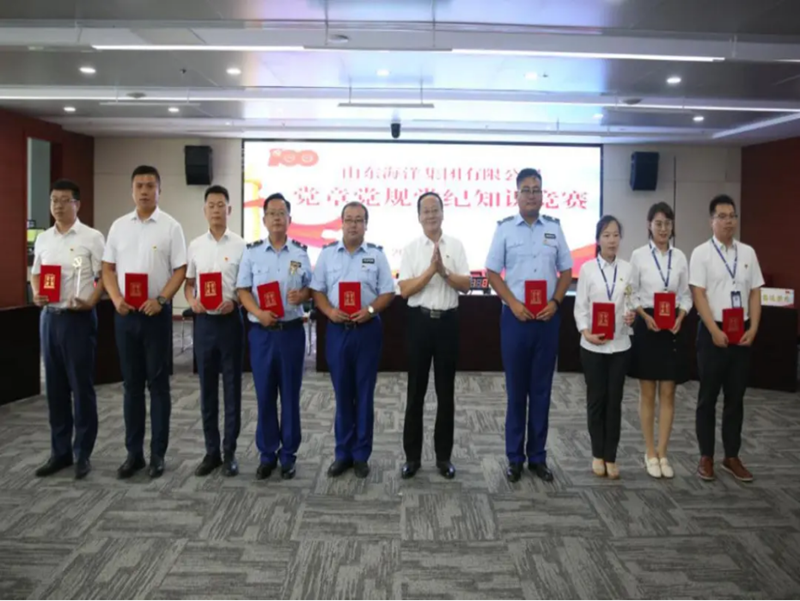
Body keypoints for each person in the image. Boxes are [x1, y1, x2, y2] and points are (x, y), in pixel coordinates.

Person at [485, 168, 573, 483]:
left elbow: (566, 271)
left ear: (542, 194)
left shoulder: (554, 228)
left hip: (547, 320)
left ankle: (537, 457)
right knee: (516, 391)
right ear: (517, 195)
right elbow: (492, 272)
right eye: (526, 190)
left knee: (541, 391)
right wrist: (512, 303)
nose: (532, 195)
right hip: (516, 320)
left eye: (536, 189)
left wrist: (556, 302)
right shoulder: (505, 229)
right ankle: (514, 458)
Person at [102, 165, 187, 479]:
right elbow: (107, 268)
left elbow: (180, 269)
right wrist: (115, 298)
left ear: (159, 190)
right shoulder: (118, 227)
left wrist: (162, 299)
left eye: (150, 185)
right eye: (139, 185)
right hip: (126, 315)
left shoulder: (171, 227)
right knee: (131, 386)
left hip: (156, 315)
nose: (144, 191)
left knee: (158, 385)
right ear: (132, 190)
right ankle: (133, 454)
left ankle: (157, 454)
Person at [310, 201, 395, 479]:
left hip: (367, 331)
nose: (353, 225)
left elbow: (387, 292)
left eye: (359, 220)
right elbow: (317, 291)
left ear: (366, 225)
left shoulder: (377, 255)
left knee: (364, 393)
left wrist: (370, 310)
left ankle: (361, 455)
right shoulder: (327, 255)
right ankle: (342, 453)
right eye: (349, 219)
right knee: (342, 393)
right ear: (341, 223)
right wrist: (328, 311)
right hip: (337, 331)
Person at [30, 179, 106, 480]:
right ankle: (59, 452)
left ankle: (82, 452)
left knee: (81, 387)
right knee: (55, 388)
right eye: (54, 200)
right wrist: (36, 293)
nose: (58, 206)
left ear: (78, 204)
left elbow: (104, 276)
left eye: (64, 200)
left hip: (78, 319)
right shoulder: (44, 239)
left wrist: (91, 301)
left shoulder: (92, 237)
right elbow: (36, 273)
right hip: (50, 318)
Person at [689, 195, 763, 482]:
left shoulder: (748, 253)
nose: (728, 221)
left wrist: (753, 327)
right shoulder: (701, 253)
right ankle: (706, 456)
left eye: (732, 216)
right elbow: (698, 294)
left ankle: (731, 456)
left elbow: (755, 292)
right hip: (713, 332)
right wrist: (713, 329)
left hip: (740, 332)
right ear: (712, 221)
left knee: (736, 398)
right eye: (722, 216)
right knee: (707, 397)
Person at [237, 193, 311, 480]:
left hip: (291, 333)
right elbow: (243, 290)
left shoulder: (300, 253)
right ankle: (267, 454)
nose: (277, 218)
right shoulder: (252, 252)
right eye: (272, 213)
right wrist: (259, 312)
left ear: (290, 219)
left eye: (282, 213)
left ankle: (288, 455)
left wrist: (301, 295)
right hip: (262, 334)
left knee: (290, 395)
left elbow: (311, 289)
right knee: (265, 395)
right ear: (264, 219)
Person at [397, 192, 471, 480]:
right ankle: (412, 458)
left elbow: (466, 285)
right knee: (415, 392)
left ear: (443, 213)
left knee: (445, 393)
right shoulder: (411, 249)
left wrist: (445, 271)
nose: (431, 215)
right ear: (419, 217)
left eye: (435, 209)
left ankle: (443, 457)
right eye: (425, 211)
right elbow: (405, 290)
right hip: (419, 323)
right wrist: (431, 271)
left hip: (448, 324)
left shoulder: (456, 245)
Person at [185, 185, 246, 477]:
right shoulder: (196, 245)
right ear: (204, 210)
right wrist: (192, 301)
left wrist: (235, 302)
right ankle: (211, 452)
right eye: (211, 205)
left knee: (232, 389)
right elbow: (188, 284)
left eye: (221, 205)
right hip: (205, 324)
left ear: (229, 209)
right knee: (207, 389)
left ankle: (230, 452)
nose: (216, 210)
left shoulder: (242, 246)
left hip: (230, 322)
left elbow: (246, 287)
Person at [629, 202, 692, 479]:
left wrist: (681, 316)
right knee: (647, 392)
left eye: (667, 223)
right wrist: (643, 316)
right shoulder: (639, 256)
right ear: (649, 225)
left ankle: (663, 452)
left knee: (668, 392)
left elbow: (686, 295)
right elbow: (631, 293)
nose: (663, 228)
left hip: (672, 327)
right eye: (658, 223)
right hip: (648, 325)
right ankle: (649, 451)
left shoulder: (680, 257)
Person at [574, 216, 636, 480]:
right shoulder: (588, 269)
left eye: (616, 235)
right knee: (596, 401)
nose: (612, 240)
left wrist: (632, 314)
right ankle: (597, 454)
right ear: (598, 240)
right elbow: (581, 307)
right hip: (593, 347)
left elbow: (632, 300)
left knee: (615, 402)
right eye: (606, 235)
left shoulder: (628, 269)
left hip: (620, 345)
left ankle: (611, 456)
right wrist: (586, 332)